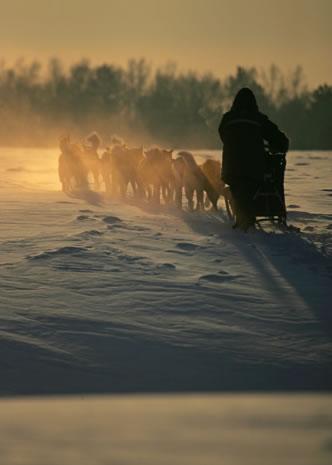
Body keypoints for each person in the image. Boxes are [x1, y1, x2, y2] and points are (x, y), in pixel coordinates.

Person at [219, 87, 289, 231]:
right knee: (251, 187)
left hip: (231, 169)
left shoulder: (227, 119)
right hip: (254, 168)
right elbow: (279, 139)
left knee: (238, 189)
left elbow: (223, 136)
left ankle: (243, 219)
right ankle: (248, 218)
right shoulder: (258, 119)